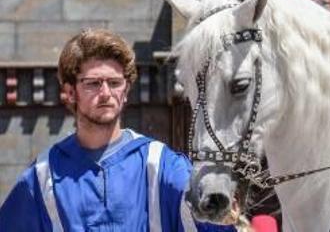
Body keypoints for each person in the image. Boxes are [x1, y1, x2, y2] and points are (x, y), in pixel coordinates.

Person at [0, 29, 234, 231]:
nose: (105, 93)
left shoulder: (161, 166)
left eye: (114, 83)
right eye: (93, 83)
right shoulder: (43, 177)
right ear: (70, 92)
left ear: (126, 91)